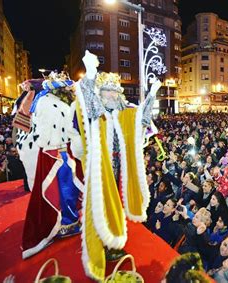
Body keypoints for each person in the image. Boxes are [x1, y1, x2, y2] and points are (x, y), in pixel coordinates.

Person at [75, 50, 162, 281]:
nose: (112, 94)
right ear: (101, 93)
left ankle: (113, 241)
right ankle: (102, 242)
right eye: (108, 91)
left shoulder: (125, 114)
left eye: (115, 91)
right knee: (100, 203)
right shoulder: (97, 112)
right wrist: (91, 73)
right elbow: (87, 102)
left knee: (116, 205)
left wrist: (152, 93)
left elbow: (142, 118)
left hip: (119, 167)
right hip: (100, 167)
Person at [21, 71, 84, 259]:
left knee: (68, 188)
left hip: (63, 151)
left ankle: (69, 220)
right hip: (58, 152)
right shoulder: (46, 102)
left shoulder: (47, 100)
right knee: (64, 189)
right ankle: (66, 222)